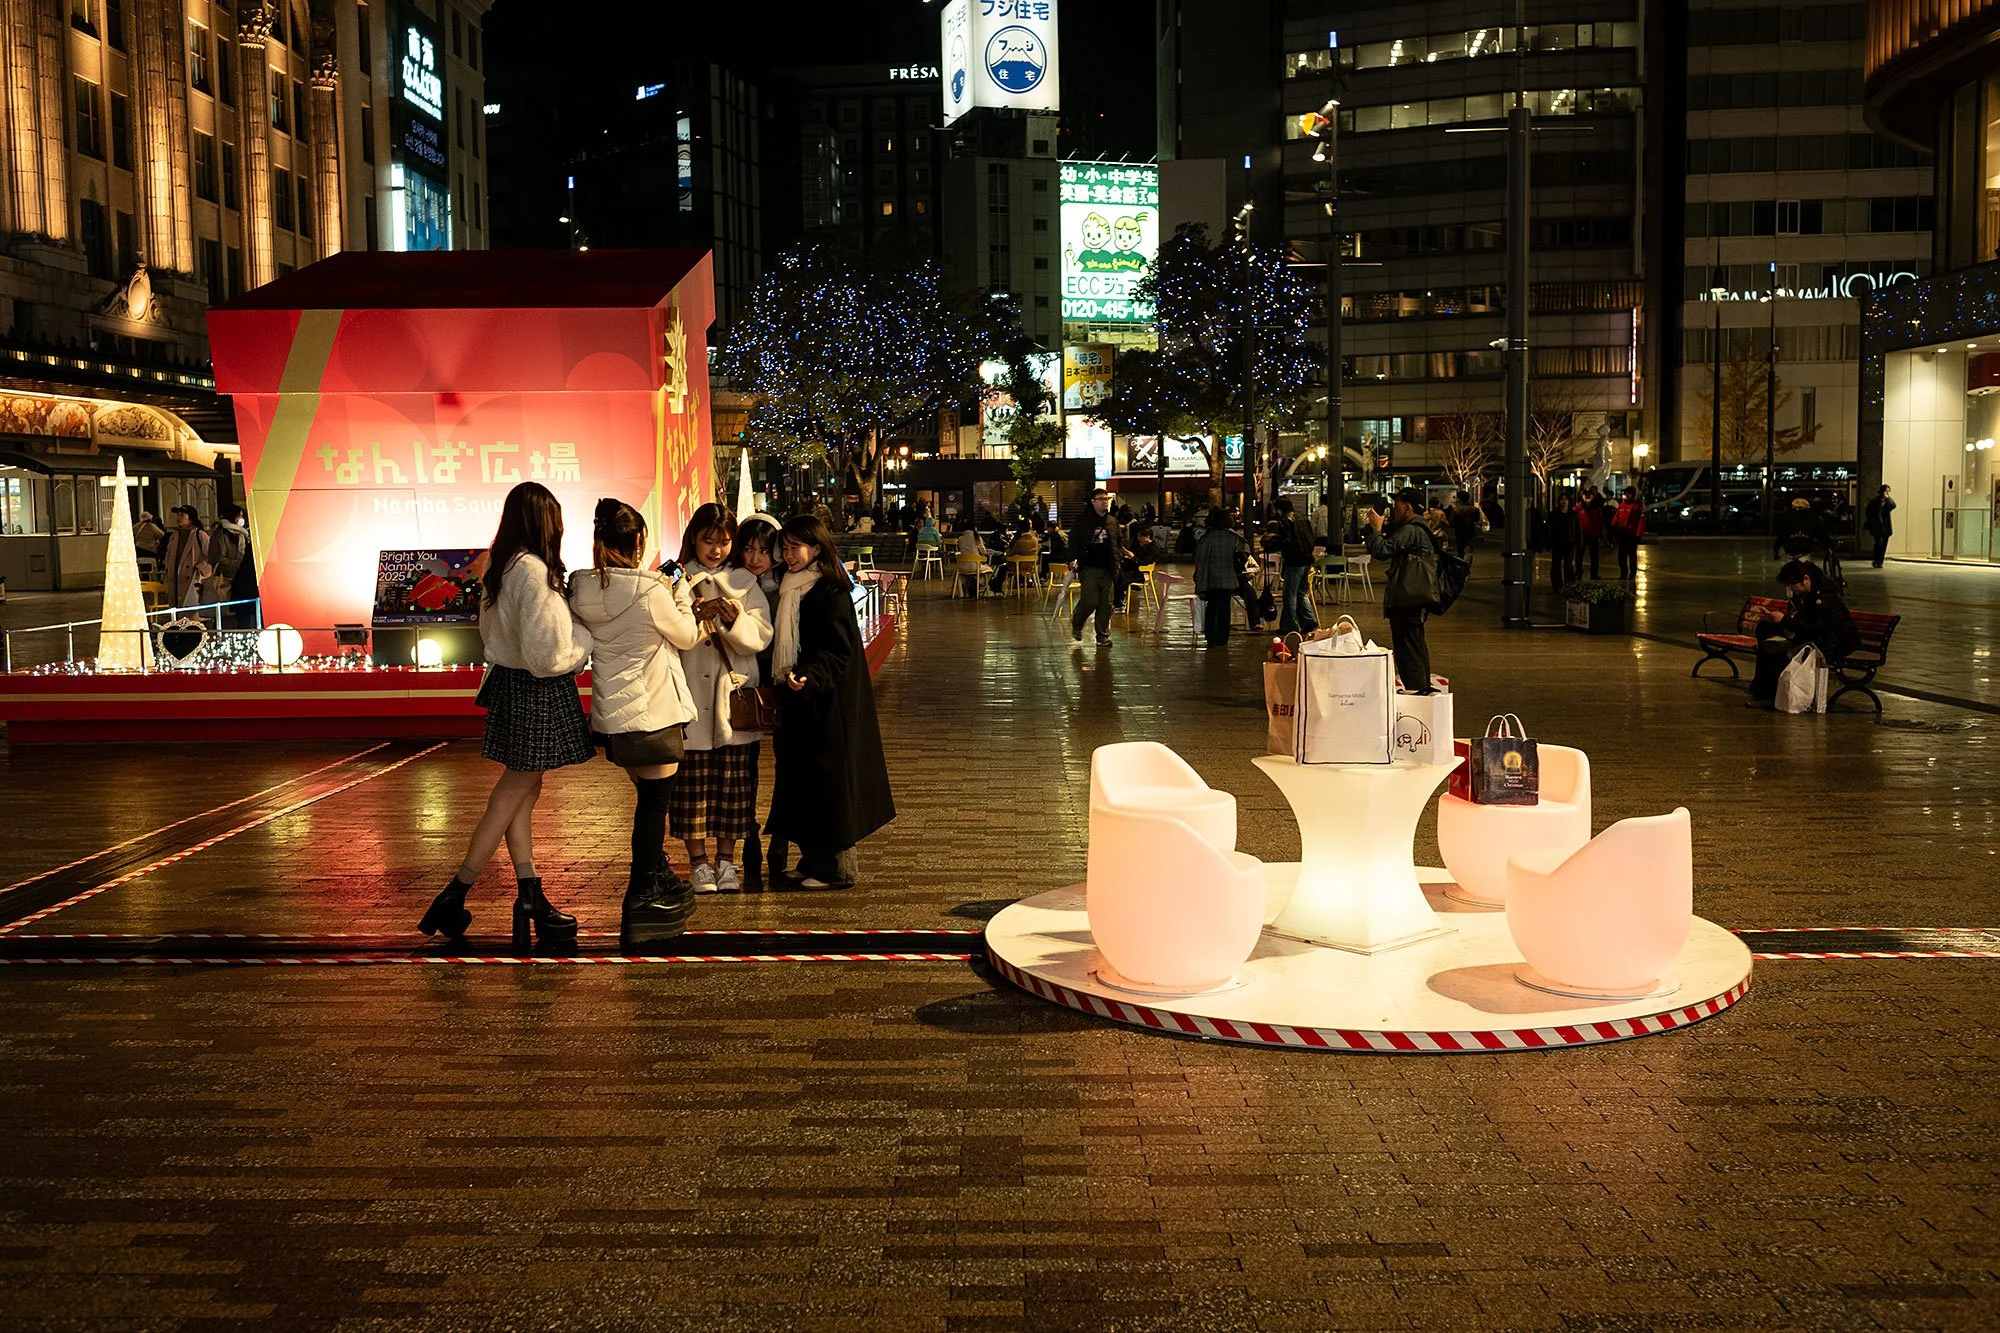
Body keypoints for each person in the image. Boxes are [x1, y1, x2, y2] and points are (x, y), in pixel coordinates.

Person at [421, 482, 592, 948]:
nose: (560, 525)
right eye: (554, 516)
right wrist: (585, 643)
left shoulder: (502, 566)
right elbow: (546, 656)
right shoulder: (532, 572)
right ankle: (455, 891)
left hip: (511, 684)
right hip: (535, 688)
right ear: (540, 521)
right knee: (514, 789)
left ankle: (529, 892)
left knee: (523, 788)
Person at [568, 499, 704, 948]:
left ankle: (656, 878)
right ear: (640, 541)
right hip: (655, 714)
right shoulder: (653, 592)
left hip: (613, 718)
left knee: (648, 802)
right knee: (653, 808)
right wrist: (681, 595)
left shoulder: (581, 590)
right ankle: (641, 896)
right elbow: (685, 637)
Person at [767, 514, 895, 888]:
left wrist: (810, 675)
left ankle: (834, 869)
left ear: (817, 549)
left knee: (828, 785)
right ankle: (812, 861)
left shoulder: (829, 591)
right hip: (802, 700)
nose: (788, 555)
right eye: (785, 547)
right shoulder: (793, 587)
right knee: (806, 782)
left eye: (795, 547)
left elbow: (838, 651)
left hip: (828, 704)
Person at [673, 503, 773, 894]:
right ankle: (698, 863)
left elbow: (760, 636)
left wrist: (733, 618)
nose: (716, 549)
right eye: (707, 540)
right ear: (693, 540)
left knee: (733, 786)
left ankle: (726, 861)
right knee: (692, 787)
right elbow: (671, 632)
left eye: (723, 541)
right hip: (690, 697)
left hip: (733, 697)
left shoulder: (745, 582)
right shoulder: (678, 581)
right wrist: (697, 615)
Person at [732, 516, 787, 880]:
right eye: (749, 548)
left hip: (783, 684)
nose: (755, 557)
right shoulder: (731, 584)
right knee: (745, 766)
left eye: (764, 550)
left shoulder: (789, 585)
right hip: (746, 685)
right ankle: (749, 835)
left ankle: (780, 839)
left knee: (787, 765)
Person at [1749, 559, 1859, 705]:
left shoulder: (1824, 596)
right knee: (1766, 634)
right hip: (1812, 637)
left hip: (1831, 644)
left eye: (1792, 585)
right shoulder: (1803, 595)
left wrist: (1784, 620)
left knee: (1777, 652)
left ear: (1806, 579)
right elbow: (1801, 623)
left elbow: (1817, 629)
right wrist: (1775, 619)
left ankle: (1770, 694)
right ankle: (1763, 691)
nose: (1791, 589)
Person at [1362, 489, 1438, 695]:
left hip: (1408, 600)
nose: (1394, 510)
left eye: (1397, 506)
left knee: (1408, 653)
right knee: (1415, 648)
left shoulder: (1411, 530)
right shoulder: (1420, 529)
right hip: (1414, 598)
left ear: (1408, 508)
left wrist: (1376, 529)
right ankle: (1423, 692)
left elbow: (1382, 551)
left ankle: (1417, 695)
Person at [1066, 488, 1125, 645]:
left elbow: (1118, 542)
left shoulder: (1112, 521)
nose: (1105, 501)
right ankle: (1077, 623)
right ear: (1093, 501)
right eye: (1101, 498)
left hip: (1109, 568)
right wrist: (1072, 559)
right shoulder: (1082, 521)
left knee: (1106, 604)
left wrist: (1118, 558)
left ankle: (1102, 636)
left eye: (1107, 498)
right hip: (1089, 567)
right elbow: (1073, 542)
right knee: (1090, 601)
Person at [1193, 507, 1255, 645]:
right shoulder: (1234, 538)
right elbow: (1245, 551)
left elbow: (1199, 559)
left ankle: (1211, 635)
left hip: (1210, 578)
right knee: (1225, 608)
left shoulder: (1207, 538)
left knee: (1212, 606)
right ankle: (1222, 637)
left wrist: (1199, 577)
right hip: (1229, 577)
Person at [1271, 496, 1319, 635]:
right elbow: (1311, 538)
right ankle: (1309, 621)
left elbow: (1286, 541)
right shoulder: (1303, 518)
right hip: (1306, 560)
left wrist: (1273, 544)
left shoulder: (1286, 521)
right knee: (1301, 592)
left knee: (1290, 594)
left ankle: (1289, 625)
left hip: (1294, 561)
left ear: (1280, 509)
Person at [209, 504, 258, 626]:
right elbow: (217, 558)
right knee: (233, 615)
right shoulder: (221, 533)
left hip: (244, 580)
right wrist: (239, 564)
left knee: (246, 613)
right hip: (229, 577)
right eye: (239, 516)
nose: (241, 519)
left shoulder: (243, 534)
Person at [158, 505, 212, 609]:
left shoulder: (200, 534)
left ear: (191, 518)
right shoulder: (175, 535)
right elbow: (169, 553)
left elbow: (209, 555)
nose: (178, 518)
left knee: (190, 607)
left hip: (192, 578)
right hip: (176, 578)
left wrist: (200, 570)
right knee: (177, 606)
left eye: (182, 515)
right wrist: (168, 567)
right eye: (178, 515)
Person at [1544, 493, 1579, 593]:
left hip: (1569, 543)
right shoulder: (1553, 514)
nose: (1563, 502)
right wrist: (1549, 542)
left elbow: (1577, 529)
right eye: (1561, 499)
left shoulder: (1573, 514)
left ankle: (1569, 583)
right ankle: (1557, 584)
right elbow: (1549, 530)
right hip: (1557, 543)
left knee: (1568, 564)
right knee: (1556, 564)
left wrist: (1578, 541)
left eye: (1565, 499)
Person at [1608, 490, 1645, 581]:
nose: (1626, 496)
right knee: (1622, 555)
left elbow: (1640, 521)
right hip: (1622, 534)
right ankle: (1623, 573)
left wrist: (1638, 534)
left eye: (1628, 494)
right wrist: (1613, 525)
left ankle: (1632, 574)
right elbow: (1616, 517)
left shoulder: (1636, 507)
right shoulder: (1621, 506)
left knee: (1632, 555)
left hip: (1631, 534)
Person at [1576, 487, 1606, 578]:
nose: (1587, 498)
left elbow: (1600, 521)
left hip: (1594, 534)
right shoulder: (1579, 507)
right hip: (1582, 534)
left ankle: (1594, 573)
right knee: (1579, 555)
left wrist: (1601, 532)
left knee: (1594, 556)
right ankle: (1578, 573)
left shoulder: (1596, 508)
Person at [1864, 485, 1896, 567]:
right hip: (1877, 527)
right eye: (1886, 491)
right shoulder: (1874, 502)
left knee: (1884, 545)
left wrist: (1888, 498)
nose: (1887, 493)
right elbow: (1868, 512)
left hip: (1885, 527)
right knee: (1879, 543)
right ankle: (1876, 560)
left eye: (1889, 491)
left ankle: (1880, 562)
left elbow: (1894, 505)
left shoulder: (1888, 502)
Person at [1448, 491, 1483, 558]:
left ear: (1459, 499)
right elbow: (1477, 520)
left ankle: (1461, 564)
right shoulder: (1474, 509)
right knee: (1469, 550)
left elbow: (1451, 523)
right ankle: (1467, 564)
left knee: (1460, 550)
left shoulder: (1456, 510)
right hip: (1470, 532)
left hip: (1459, 532)